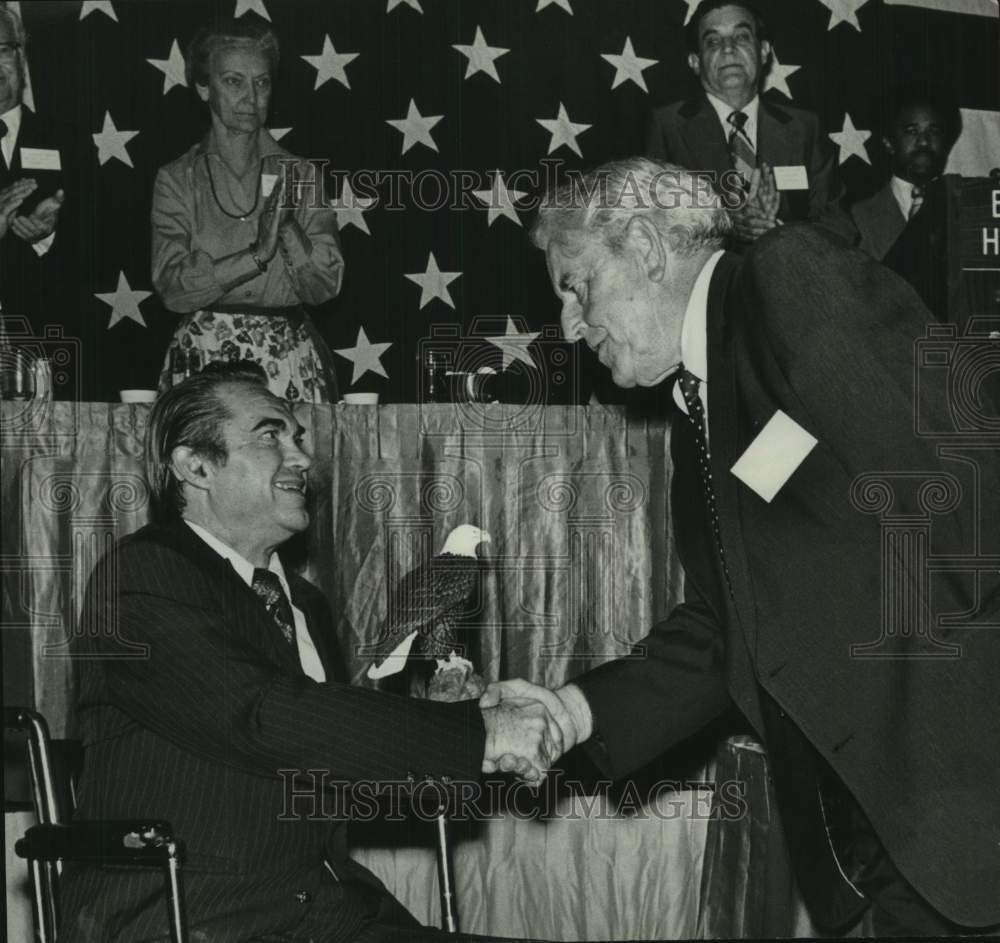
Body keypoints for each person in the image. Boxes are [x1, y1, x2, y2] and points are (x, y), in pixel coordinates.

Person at [484, 158, 1000, 936]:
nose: (568, 324)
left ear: (648, 250)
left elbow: (967, 491)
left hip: (964, 817)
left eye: (575, 284)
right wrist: (571, 710)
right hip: (875, 856)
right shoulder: (696, 414)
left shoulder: (787, 280)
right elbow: (732, 633)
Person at [60, 361, 558, 942]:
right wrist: (476, 733)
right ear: (194, 465)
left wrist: (455, 721)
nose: (302, 458)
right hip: (189, 916)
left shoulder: (306, 604)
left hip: (329, 913)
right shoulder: (140, 577)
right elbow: (262, 715)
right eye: (271, 435)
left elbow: (332, 763)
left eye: (298, 437)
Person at [152, 18, 343, 403]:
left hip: (286, 358)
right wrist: (256, 255)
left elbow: (326, 286)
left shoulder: (300, 173)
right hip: (205, 357)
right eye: (234, 81)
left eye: (262, 82)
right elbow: (172, 289)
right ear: (204, 88)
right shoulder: (175, 179)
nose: (251, 97)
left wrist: (288, 229)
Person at [645, 0, 845, 244]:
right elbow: (651, 223)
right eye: (713, 41)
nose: (728, 49)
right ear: (695, 61)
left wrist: (778, 232)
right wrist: (729, 226)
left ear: (763, 51)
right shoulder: (667, 127)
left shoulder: (804, 128)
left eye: (741, 37)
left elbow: (839, 224)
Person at [0, 7, 71, 327]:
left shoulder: (67, 139)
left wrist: (48, 235)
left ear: (20, 55)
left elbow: (102, 241)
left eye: (2, 49)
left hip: (40, 331)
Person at [851, 87, 961, 260]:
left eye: (934, 131)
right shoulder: (854, 216)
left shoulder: (965, 210)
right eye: (911, 131)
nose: (924, 141)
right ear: (889, 143)